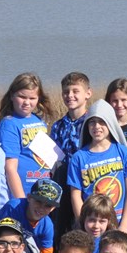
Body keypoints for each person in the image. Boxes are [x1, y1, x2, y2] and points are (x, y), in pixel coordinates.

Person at [66, 99, 127, 233]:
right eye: (92, 122)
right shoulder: (79, 158)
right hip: (92, 225)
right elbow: (75, 195)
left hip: (117, 222)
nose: (97, 127)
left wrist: (124, 225)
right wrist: (83, 224)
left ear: (111, 123)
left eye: (102, 122)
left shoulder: (124, 153)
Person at [0, 72, 57, 199]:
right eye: (22, 97)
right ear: (12, 95)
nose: (27, 102)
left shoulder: (39, 121)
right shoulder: (9, 124)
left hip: (44, 189)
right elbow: (10, 167)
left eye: (32, 98)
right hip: (25, 192)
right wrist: (21, 199)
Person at [0, 177, 60, 253]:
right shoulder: (13, 208)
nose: (41, 208)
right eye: (38, 201)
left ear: (53, 208)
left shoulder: (47, 225)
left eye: (48, 205)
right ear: (29, 198)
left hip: (23, 239)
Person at [50, 71, 92, 234]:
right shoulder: (58, 125)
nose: (70, 95)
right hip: (61, 183)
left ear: (88, 93)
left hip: (84, 184)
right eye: (66, 92)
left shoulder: (92, 123)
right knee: (60, 228)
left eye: (75, 91)